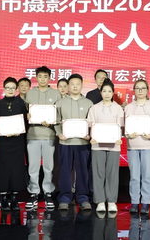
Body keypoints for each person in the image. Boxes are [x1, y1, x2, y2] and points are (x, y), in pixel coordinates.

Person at [55, 73, 93, 211]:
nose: (75, 86)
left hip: (82, 143)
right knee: (65, 170)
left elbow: (92, 123)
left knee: (83, 171)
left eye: (78, 84)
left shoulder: (88, 103)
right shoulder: (60, 103)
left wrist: (89, 135)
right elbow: (56, 121)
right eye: (72, 84)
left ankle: (83, 198)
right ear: (68, 86)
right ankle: (65, 198)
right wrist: (59, 133)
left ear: (82, 85)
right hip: (65, 143)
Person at [87, 79, 124, 214]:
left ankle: (112, 201)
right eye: (104, 91)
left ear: (113, 93)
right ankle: (100, 201)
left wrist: (120, 138)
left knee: (112, 174)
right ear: (101, 92)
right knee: (98, 173)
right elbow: (90, 125)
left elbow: (121, 127)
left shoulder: (118, 108)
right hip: (97, 145)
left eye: (109, 91)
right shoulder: (94, 108)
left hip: (114, 146)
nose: (107, 93)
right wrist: (91, 137)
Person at [26, 65, 60, 210]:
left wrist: (52, 121)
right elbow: (25, 112)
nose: (42, 79)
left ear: (50, 78)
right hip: (33, 134)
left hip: (49, 135)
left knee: (48, 166)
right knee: (33, 167)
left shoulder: (56, 94)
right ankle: (33, 192)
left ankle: (48, 192)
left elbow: (58, 115)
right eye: (40, 76)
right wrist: (27, 116)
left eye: (45, 76)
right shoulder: (29, 94)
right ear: (36, 78)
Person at [125, 79, 150, 215]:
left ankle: (145, 202)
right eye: (137, 88)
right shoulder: (128, 107)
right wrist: (128, 134)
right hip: (132, 145)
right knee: (134, 176)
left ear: (147, 90)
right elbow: (124, 126)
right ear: (134, 90)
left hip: (149, 145)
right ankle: (134, 202)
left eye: (143, 88)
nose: (140, 91)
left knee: (147, 175)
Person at [0, 77, 28, 211]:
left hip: (17, 141)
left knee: (17, 168)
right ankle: (3, 198)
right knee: (2, 168)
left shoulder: (21, 103)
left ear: (16, 89)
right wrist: (0, 131)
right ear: (4, 89)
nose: (10, 90)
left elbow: (25, 122)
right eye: (8, 88)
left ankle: (14, 198)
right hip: (3, 141)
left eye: (13, 88)